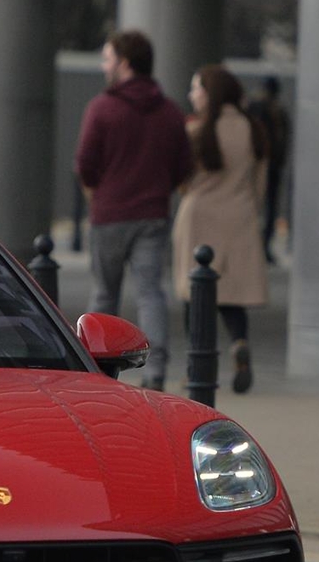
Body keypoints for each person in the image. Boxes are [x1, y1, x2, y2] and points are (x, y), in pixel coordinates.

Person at [72, 28, 190, 391]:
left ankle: (94, 371)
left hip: (109, 214)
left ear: (124, 63)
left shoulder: (102, 108)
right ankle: (155, 373)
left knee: (104, 295)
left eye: (107, 58)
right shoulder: (170, 112)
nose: (104, 65)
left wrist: (99, 191)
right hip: (152, 215)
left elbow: (85, 164)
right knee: (151, 292)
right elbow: (183, 166)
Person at [172, 64, 269, 395]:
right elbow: (260, 186)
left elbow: (181, 180)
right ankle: (239, 344)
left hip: (198, 215)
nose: (192, 95)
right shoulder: (253, 129)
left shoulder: (196, 131)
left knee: (194, 294)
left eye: (196, 88)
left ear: (210, 93)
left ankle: (197, 366)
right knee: (232, 296)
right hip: (239, 215)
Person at [250, 74, 292, 264]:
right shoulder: (261, 109)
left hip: (271, 166)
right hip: (263, 165)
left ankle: (263, 247)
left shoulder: (275, 111)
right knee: (260, 207)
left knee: (268, 209)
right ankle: (259, 247)